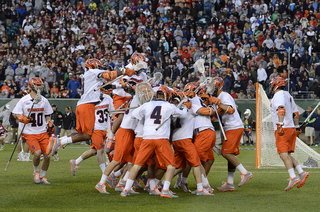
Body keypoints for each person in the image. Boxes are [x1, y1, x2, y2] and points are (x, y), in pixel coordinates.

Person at [46, 59, 135, 157]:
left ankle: (59, 141)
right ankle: (58, 141)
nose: (100, 68)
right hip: (87, 105)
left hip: (82, 105)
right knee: (87, 135)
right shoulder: (93, 72)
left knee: (79, 133)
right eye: (99, 66)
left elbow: (106, 87)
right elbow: (109, 75)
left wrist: (121, 87)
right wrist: (123, 71)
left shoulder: (89, 76)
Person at [118, 85, 188, 198]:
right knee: (171, 166)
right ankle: (165, 190)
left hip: (147, 138)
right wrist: (184, 107)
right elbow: (184, 115)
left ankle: (125, 190)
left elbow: (133, 116)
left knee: (137, 165)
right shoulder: (169, 106)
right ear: (166, 95)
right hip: (161, 138)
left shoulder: (147, 104)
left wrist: (146, 114)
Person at [209, 77, 253, 192]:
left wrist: (218, 103)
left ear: (218, 86)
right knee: (230, 155)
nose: (211, 88)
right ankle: (230, 183)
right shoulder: (219, 97)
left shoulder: (224, 96)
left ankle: (245, 173)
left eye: (213, 86)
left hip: (233, 127)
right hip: (230, 127)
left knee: (226, 153)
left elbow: (231, 109)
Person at [269, 77, 309, 191]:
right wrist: (296, 127)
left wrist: (280, 124)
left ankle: (293, 177)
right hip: (291, 127)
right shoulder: (288, 95)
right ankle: (301, 172)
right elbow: (296, 113)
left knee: (283, 154)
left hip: (284, 128)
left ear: (275, 85)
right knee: (288, 155)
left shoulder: (278, 95)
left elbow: (281, 109)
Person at [12, 77, 54, 184]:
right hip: (30, 132)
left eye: (40, 85)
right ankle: (36, 172)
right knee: (37, 153)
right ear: (31, 86)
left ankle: (43, 176)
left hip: (42, 131)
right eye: (37, 85)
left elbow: (47, 114)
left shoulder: (44, 100)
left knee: (48, 155)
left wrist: (49, 122)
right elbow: (15, 113)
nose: (40, 87)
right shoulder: (24, 100)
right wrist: (21, 118)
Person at [69, 93, 114, 176]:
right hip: (96, 128)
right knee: (100, 151)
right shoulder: (89, 98)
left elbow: (112, 112)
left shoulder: (107, 98)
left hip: (105, 128)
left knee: (94, 151)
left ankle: (75, 162)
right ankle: (105, 174)